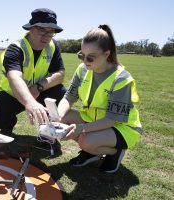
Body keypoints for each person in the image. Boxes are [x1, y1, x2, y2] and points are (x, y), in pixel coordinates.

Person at [57, 24, 142, 173]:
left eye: (91, 57)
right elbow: (68, 97)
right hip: (95, 120)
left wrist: (81, 128)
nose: (85, 61)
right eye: (81, 55)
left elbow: (111, 120)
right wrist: (57, 115)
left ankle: (115, 151)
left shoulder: (121, 79)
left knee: (85, 141)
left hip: (121, 127)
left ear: (107, 54)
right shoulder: (82, 70)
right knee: (63, 117)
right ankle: (93, 151)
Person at [0, 8, 67, 135]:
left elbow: (60, 74)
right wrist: (30, 102)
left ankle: (49, 133)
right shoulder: (15, 49)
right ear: (31, 28)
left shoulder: (53, 46)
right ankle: (8, 124)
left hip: (39, 91)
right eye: (42, 30)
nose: (46, 37)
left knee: (60, 92)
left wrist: (38, 87)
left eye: (51, 32)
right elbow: (14, 77)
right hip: (13, 94)